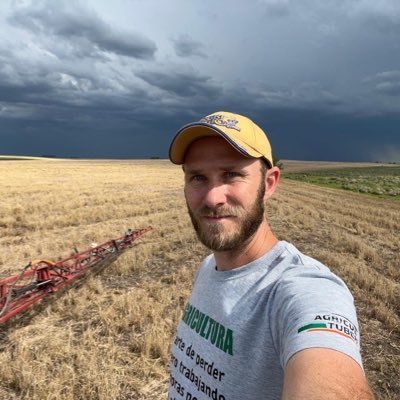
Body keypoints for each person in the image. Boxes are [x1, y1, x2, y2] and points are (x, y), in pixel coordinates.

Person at [167, 111, 374, 400]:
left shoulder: (302, 288)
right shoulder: (208, 267)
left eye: (232, 175)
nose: (213, 198)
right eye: (198, 177)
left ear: (270, 183)